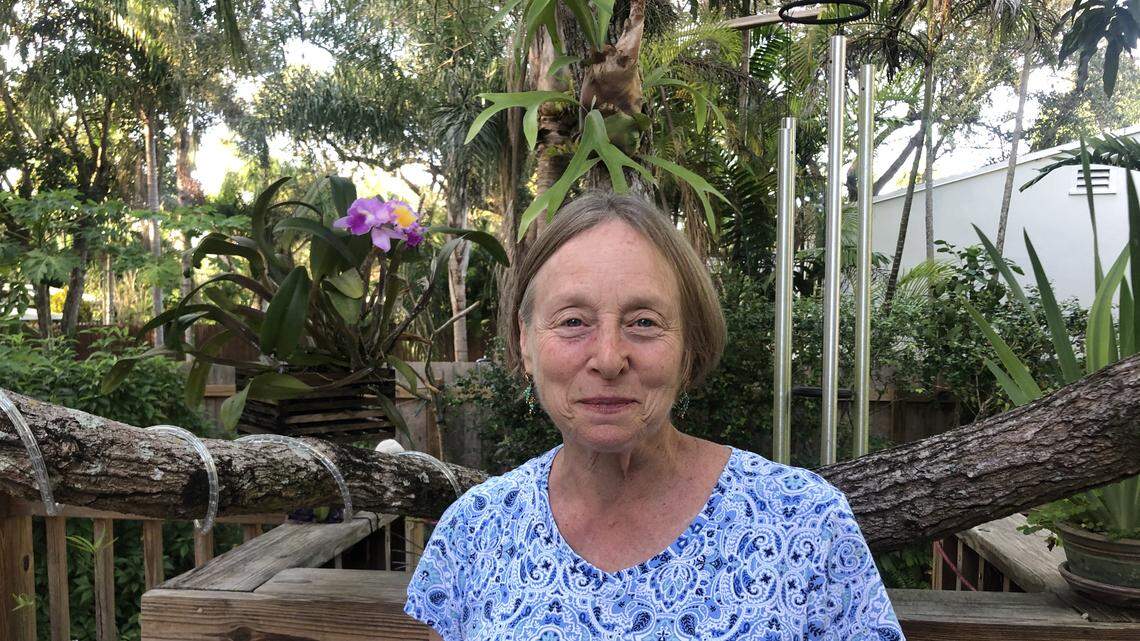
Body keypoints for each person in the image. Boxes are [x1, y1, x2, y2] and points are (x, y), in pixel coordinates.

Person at [404, 192, 905, 640]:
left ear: (688, 348)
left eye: (643, 322)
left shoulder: (805, 523)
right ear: (525, 342)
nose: (607, 357)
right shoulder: (475, 532)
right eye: (573, 321)